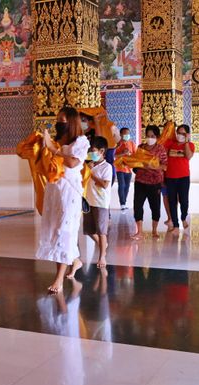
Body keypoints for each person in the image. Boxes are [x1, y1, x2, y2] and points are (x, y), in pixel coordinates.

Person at [37, 106, 90, 294]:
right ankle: (74, 260)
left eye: (63, 119)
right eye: (58, 119)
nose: (59, 122)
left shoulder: (82, 141)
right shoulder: (58, 140)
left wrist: (54, 149)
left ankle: (58, 279)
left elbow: (72, 162)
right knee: (54, 228)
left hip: (70, 191)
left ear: (72, 122)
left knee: (64, 231)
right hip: (55, 189)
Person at [131, 125, 168, 240]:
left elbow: (165, 166)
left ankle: (154, 230)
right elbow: (135, 162)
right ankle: (139, 231)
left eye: (152, 136)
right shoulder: (140, 147)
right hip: (140, 181)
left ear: (156, 137)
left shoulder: (160, 149)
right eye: (148, 136)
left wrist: (153, 166)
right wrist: (135, 165)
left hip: (155, 182)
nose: (149, 138)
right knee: (137, 206)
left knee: (155, 207)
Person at [84, 136, 112, 269]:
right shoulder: (89, 165)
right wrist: (87, 170)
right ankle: (103, 245)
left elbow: (105, 185)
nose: (91, 153)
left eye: (93, 150)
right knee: (89, 230)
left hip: (101, 203)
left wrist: (91, 173)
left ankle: (102, 256)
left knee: (101, 232)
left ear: (102, 151)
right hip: (89, 201)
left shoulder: (107, 167)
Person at [164, 124, 195, 233]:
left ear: (187, 134)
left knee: (184, 200)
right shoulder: (170, 144)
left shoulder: (190, 145)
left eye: (183, 133)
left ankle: (183, 218)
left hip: (184, 177)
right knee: (172, 201)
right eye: (178, 133)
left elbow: (188, 156)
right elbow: (162, 144)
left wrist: (186, 142)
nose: (180, 135)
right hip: (170, 177)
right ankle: (175, 225)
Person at [115, 127, 137, 210]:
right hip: (119, 168)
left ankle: (124, 201)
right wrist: (122, 153)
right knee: (122, 185)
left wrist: (130, 155)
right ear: (121, 135)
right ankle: (122, 204)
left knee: (127, 186)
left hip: (129, 169)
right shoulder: (117, 144)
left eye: (128, 133)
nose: (127, 135)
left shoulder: (132, 143)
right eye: (125, 133)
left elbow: (135, 156)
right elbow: (113, 156)